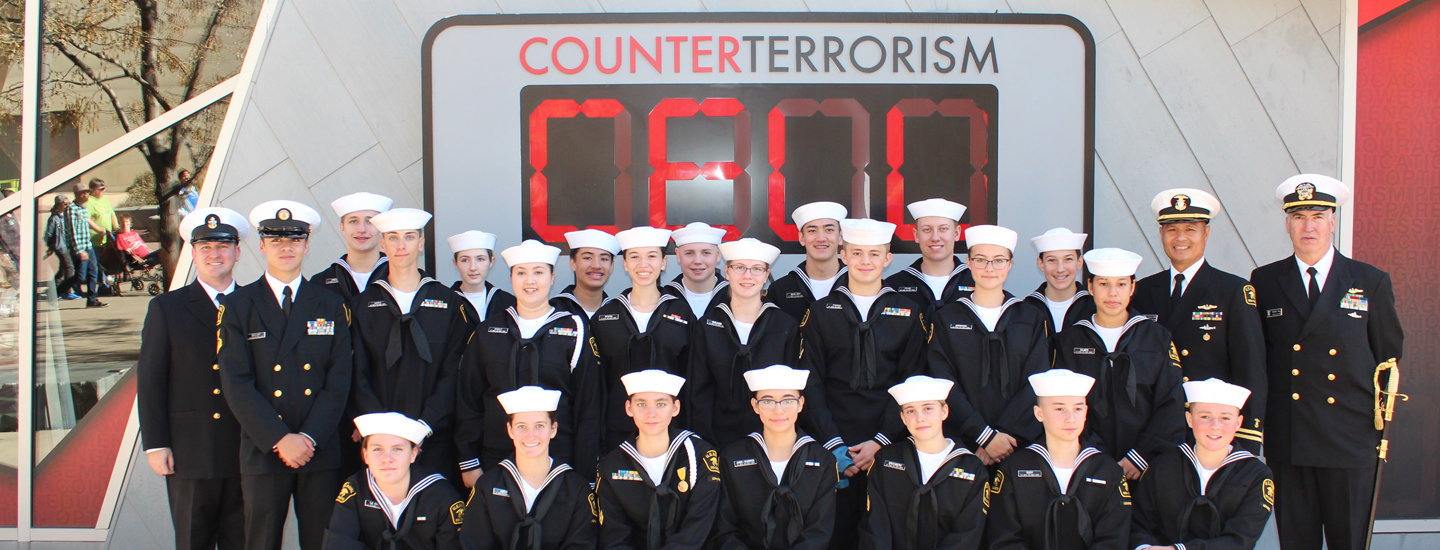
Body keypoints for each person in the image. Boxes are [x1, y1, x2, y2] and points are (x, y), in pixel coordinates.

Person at [1250, 174, 1403, 550]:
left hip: (1349, 440)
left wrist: (1376, 428)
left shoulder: (1369, 281)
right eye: (1299, 216)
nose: (1308, 226)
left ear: (1333, 220)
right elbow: (1259, 359)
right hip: (1291, 438)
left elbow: (1389, 359)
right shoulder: (1265, 280)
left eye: (1318, 215)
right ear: (1287, 223)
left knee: (1348, 542)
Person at [218, 200, 354, 550]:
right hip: (265, 448)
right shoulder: (238, 306)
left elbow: (338, 381)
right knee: (261, 542)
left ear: (307, 245)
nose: (286, 248)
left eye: (294, 240)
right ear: (261, 246)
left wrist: (308, 437)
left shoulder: (330, 304)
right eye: (276, 241)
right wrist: (281, 438)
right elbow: (237, 383)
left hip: (318, 449)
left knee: (321, 543)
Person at [799, 218, 927, 550]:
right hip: (832, 446)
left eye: (874, 254)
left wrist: (881, 441)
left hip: (889, 445)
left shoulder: (910, 314)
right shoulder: (820, 312)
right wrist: (834, 444)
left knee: (885, 536)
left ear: (888, 259)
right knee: (833, 536)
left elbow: (911, 383)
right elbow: (810, 384)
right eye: (856, 253)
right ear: (843, 255)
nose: (865, 261)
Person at [138, 207, 250, 550]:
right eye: (206, 248)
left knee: (243, 541)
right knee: (192, 540)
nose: (214, 255)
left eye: (222, 247)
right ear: (193, 252)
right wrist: (156, 443)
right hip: (190, 450)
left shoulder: (256, 304)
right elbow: (151, 380)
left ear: (237, 252)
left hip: (245, 448)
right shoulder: (167, 307)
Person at [454, 240, 603, 489]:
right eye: (521, 273)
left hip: (558, 459)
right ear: (511, 277)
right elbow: (468, 400)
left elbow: (589, 406)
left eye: (539, 272)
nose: (530, 281)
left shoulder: (574, 329)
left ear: (552, 277)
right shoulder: (489, 330)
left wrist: (585, 474)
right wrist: (469, 462)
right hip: (496, 458)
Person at [1130, 189, 1267, 454]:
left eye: (1191, 229)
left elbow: (1250, 368)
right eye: (1171, 229)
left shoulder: (1233, 291)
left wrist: (1247, 439)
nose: (1180, 238)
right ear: (1161, 235)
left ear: (1207, 233)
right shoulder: (1142, 291)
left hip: (1209, 433)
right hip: (1150, 433)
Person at [347, 208, 470, 483]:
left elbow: (454, 372)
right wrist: (381, 429)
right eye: (393, 238)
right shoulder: (362, 306)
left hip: (435, 436)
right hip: (381, 443)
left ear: (421, 242)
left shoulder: (449, 303)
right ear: (382, 244)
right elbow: (356, 373)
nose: (401, 246)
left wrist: (426, 424)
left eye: (409, 237)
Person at [1054, 248, 1186, 482]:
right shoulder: (1069, 341)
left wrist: (1140, 456)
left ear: (1133, 288)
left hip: (1148, 468)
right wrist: (1096, 456)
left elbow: (1171, 403)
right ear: (1091, 287)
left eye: (1121, 284)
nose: (1112, 293)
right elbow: (1061, 404)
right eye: (1104, 284)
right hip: (1086, 467)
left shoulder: (1156, 338)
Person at [926, 225, 1050, 466]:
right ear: (969, 263)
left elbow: (1036, 381)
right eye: (981, 260)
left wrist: (1002, 438)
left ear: (1010, 264)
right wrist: (983, 436)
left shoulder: (1030, 317)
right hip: (963, 446)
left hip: (1016, 446)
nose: (989, 268)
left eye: (998, 260)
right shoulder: (948, 317)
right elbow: (943, 381)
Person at [986, 369, 1132, 550]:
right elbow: (1004, 538)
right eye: (1059, 408)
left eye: (1078, 408)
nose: (1071, 419)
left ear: (1086, 412)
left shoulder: (1108, 471)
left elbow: (1113, 540)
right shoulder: (1014, 469)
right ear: (1039, 413)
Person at [1129, 378, 1273, 550]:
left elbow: (1241, 540)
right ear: (1189, 419)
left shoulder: (1255, 475)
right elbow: (1138, 523)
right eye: (1205, 416)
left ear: (1239, 423)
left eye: (1225, 418)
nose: (1215, 426)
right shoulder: (1163, 465)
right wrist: (1145, 547)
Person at [690, 238, 803, 448]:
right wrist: (706, 445)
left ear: (767, 275)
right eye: (740, 268)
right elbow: (699, 393)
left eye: (757, 269)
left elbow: (791, 393)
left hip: (771, 442)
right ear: (727, 272)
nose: (748, 276)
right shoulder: (707, 326)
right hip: (717, 441)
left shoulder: (785, 326)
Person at [714, 365, 838, 550]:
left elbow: (819, 531)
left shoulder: (823, 460)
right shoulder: (732, 457)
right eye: (767, 401)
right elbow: (725, 528)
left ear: (801, 403)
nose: (778, 410)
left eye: (788, 400)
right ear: (755, 406)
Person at [592, 227, 695, 449]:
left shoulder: (683, 313)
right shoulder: (605, 317)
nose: (643, 264)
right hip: (617, 430)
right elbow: (597, 384)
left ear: (663, 262)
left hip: (671, 429)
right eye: (635, 257)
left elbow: (692, 375)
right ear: (625, 264)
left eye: (651, 256)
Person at [460, 386, 599, 550]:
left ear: (553, 429)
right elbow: (474, 543)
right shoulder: (488, 485)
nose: (530, 435)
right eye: (521, 426)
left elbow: (582, 545)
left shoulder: (576, 489)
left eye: (539, 425)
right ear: (510, 430)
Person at [595, 370, 723, 549]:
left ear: (676, 408)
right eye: (641, 404)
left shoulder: (700, 456)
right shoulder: (612, 465)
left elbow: (698, 526)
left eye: (661, 404)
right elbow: (614, 536)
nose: (651, 414)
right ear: (628, 408)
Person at [859, 375, 987, 550]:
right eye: (911, 410)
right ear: (902, 418)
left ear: (944, 411)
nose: (920, 418)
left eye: (928, 408)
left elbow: (967, 535)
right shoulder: (886, 461)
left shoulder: (972, 468)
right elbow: (876, 526)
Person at [323, 412, 463, 550]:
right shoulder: (356, 488)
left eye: (397, 449)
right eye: (377, 449)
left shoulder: (442, 495)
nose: (386, 458)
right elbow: (339, 543)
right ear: (365, 455)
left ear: (413, 454)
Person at [883, 199, 976, 317]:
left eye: (943, 229)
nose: (935, 237)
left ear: (957, 233)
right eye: (927, 230)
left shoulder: (977, 284)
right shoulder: (894, 286)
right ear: (916, 235)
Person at [766, 202, 848, 322]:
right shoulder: (780, 291)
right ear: (801, 238)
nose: (821, 238)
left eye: (829, 230)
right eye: (812, 231)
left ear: (840, 237)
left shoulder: (858, 286)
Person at [312, 192, 393, 301]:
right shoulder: (319, 284)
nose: (362, 229)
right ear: (342, 228)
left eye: (369, 221)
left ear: (381, 227)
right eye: (353, 221)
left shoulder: (401, 279)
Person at [1024, 228, 1094, 335]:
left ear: (1079, 262)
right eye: (1052, 260)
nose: (1060, 269)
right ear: (1041, 263)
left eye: (1068, 259)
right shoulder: (1026, 309)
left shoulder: (1094, 308)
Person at [447, 230, 516, 324]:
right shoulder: (446, 302)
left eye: (480, 259)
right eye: (465, 260)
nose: (473, 267)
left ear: (491, 261)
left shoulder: (508, 302)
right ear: (455, 263)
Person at [663, 222, 730, 318]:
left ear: (718, 255)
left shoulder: (733, 297)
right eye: (689, 253)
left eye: (706, 253)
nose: (698, 261)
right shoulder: (664, 299)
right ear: (678, 255)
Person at [551, 229, 619, 319]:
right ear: (573, 263)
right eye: (587, 258)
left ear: (612, 265)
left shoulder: (620, 313)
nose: (596, 266)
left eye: (604, 259)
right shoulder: (554, 311)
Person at [66, 183, 106, 307]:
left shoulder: (83, 208)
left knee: (93, 272)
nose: (85, 195)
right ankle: (61, 289)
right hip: (80, 247)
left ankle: (92, 299)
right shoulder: (71, 209)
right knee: (80, 275)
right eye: (82, 193)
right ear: (76, 194)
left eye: (87, 193)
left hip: (88, 246)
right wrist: (79, 250)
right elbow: (72, 230)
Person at [44, 195, 79, 300]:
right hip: (60, 246)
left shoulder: (66, 216)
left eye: (68, 204)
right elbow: (48, 234)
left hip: (67, 246)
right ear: (59, 205)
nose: (67, 206)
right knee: (69, 267)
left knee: (63, 269)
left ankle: (52, 289)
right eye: (65, 204)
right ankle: (67, 291)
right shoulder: (54, 218)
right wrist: (51, 246)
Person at [85, 177, 119, 248]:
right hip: (96, 240)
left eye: (104, 188)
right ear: (93, 190)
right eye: (101, 189)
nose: (104, 190)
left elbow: (112, 214)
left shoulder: (104, 199)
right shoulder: (88, 201)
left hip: (108, 238)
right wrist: (100, 231)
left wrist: (117, 227)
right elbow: (87, 219)